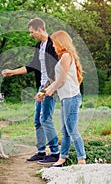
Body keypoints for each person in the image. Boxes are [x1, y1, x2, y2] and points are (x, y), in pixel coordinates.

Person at [2, 17, 60, 164]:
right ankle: (41, 152)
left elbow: (57, 69)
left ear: (40, 29)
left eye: (32, 32)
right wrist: (12, 72)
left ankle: (55, 153)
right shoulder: (38, 46)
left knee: (45, 119)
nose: (31, 34)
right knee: (37, 121)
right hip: (41, 86)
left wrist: (47, 88)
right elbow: (32, 66)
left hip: (51, 86)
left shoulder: (53, 44)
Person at [36, 30, 86, 167]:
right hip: (66, 98)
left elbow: (61, 80)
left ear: (60, 42)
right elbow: (55, 80)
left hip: (71, 97)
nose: (52, 45)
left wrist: (47, 92)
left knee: (72, 129)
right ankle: (62, 158)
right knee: (65, 131)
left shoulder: (66, 56)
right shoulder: (62, 57)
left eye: (54, 42)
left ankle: (81, 159)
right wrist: (44, 91)